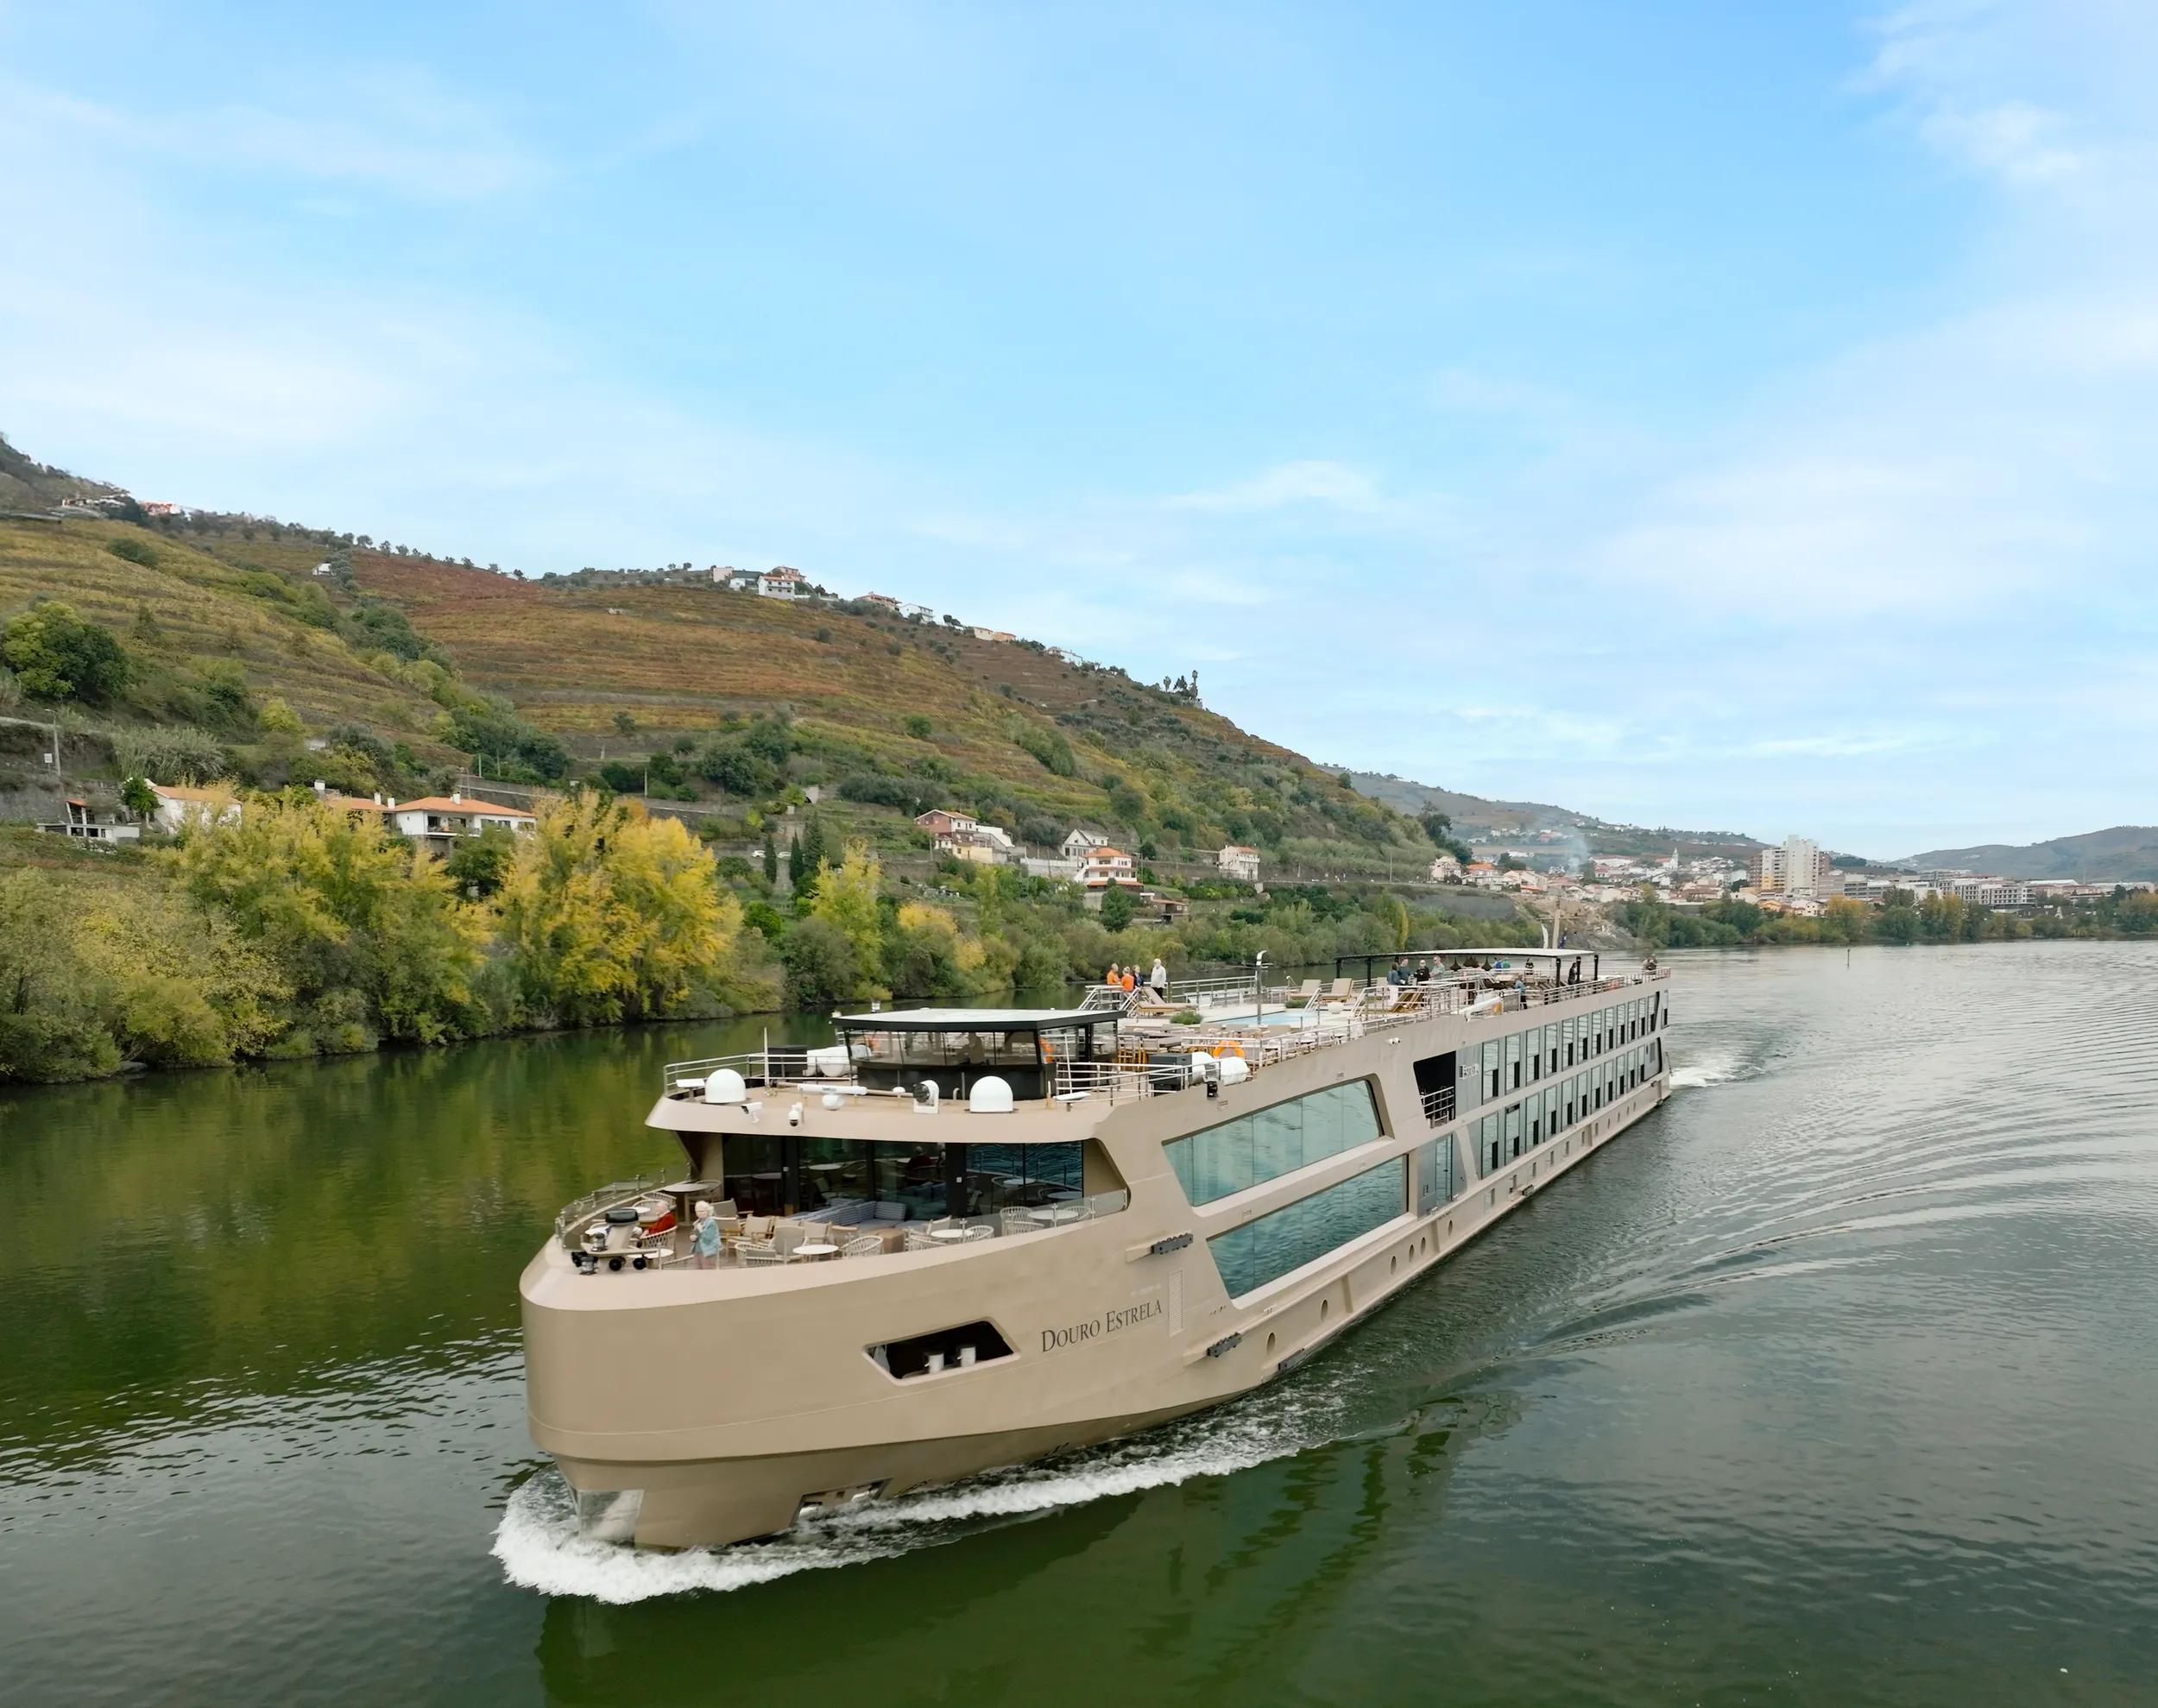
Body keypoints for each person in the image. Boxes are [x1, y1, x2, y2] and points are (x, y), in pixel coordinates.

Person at [691, 1200, 722, 1269]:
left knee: (707, 1273)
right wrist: (694, 1238)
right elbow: (697, 1237)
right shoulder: (697, 1222)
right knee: (698, 1272)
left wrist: (701, 1230)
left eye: (702, 1211)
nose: (700, 1213)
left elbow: (708, 1239)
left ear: (707, 1211)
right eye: (698, 1211)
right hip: (697, 1250)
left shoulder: (711, 1223)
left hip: (708, 1252)